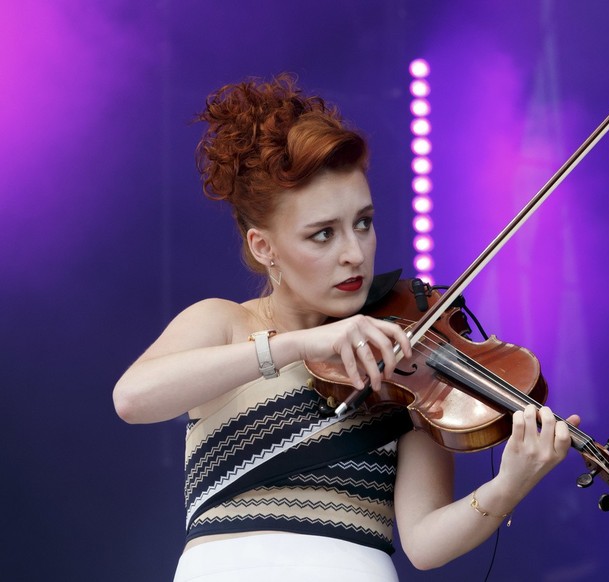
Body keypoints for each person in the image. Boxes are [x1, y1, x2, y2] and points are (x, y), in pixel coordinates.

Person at [113, 73, 580, 581]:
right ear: (263, 248)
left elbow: (424, 543)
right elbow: (133, 399)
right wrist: (299, 344)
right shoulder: (224, 323)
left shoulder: (403, 361)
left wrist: (508, 484)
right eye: (322, 235)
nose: (354, 254)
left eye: (363, 222)